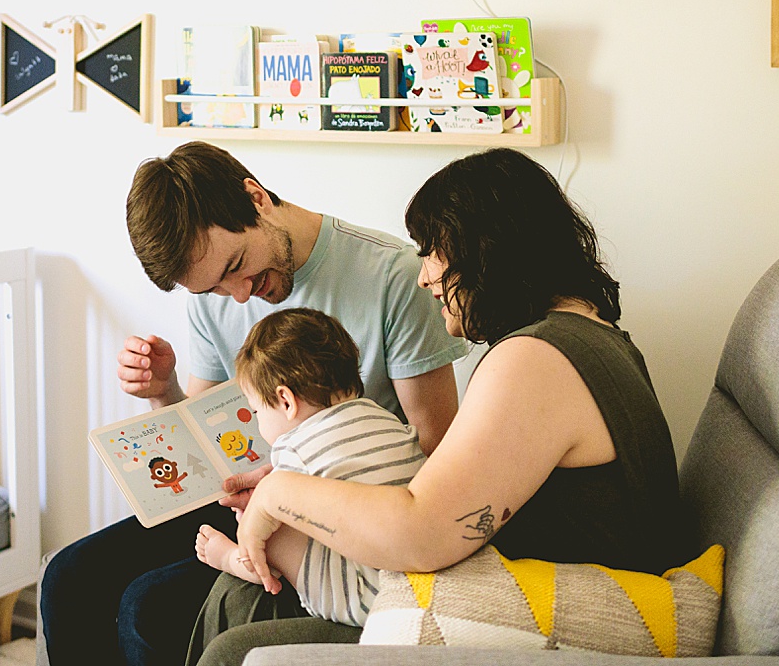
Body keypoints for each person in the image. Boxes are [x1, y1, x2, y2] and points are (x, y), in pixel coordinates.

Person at [192, 147, 691, 666]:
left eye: (432, 251)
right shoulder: (592, 336)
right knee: (243, 597)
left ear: (487, 253)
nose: (424, 277)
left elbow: (419, 534)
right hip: (536, 604)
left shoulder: (534, 360)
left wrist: (279, 493)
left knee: (236, 645)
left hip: (543, 629)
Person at [36, 141, 467, 666]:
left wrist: (288, 493)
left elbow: (436, 447)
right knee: (68, 578)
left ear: (256, 198)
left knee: (147, 607)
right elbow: (203, 441)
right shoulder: (217, 297)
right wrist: (162, 392)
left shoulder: (392, 275)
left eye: (238, 266)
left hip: (336, 523)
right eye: (215, 289)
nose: (240, 296)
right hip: (239, 499)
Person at [194, 307, 424, 630]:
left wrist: (252, 523)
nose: (258, 422)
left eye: (256, 410)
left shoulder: (295, 448)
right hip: (418, 577)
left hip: (365, 598)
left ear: (286, 402)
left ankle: (233, 560)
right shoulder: (384, 418)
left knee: (268, 530)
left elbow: (282, 507)